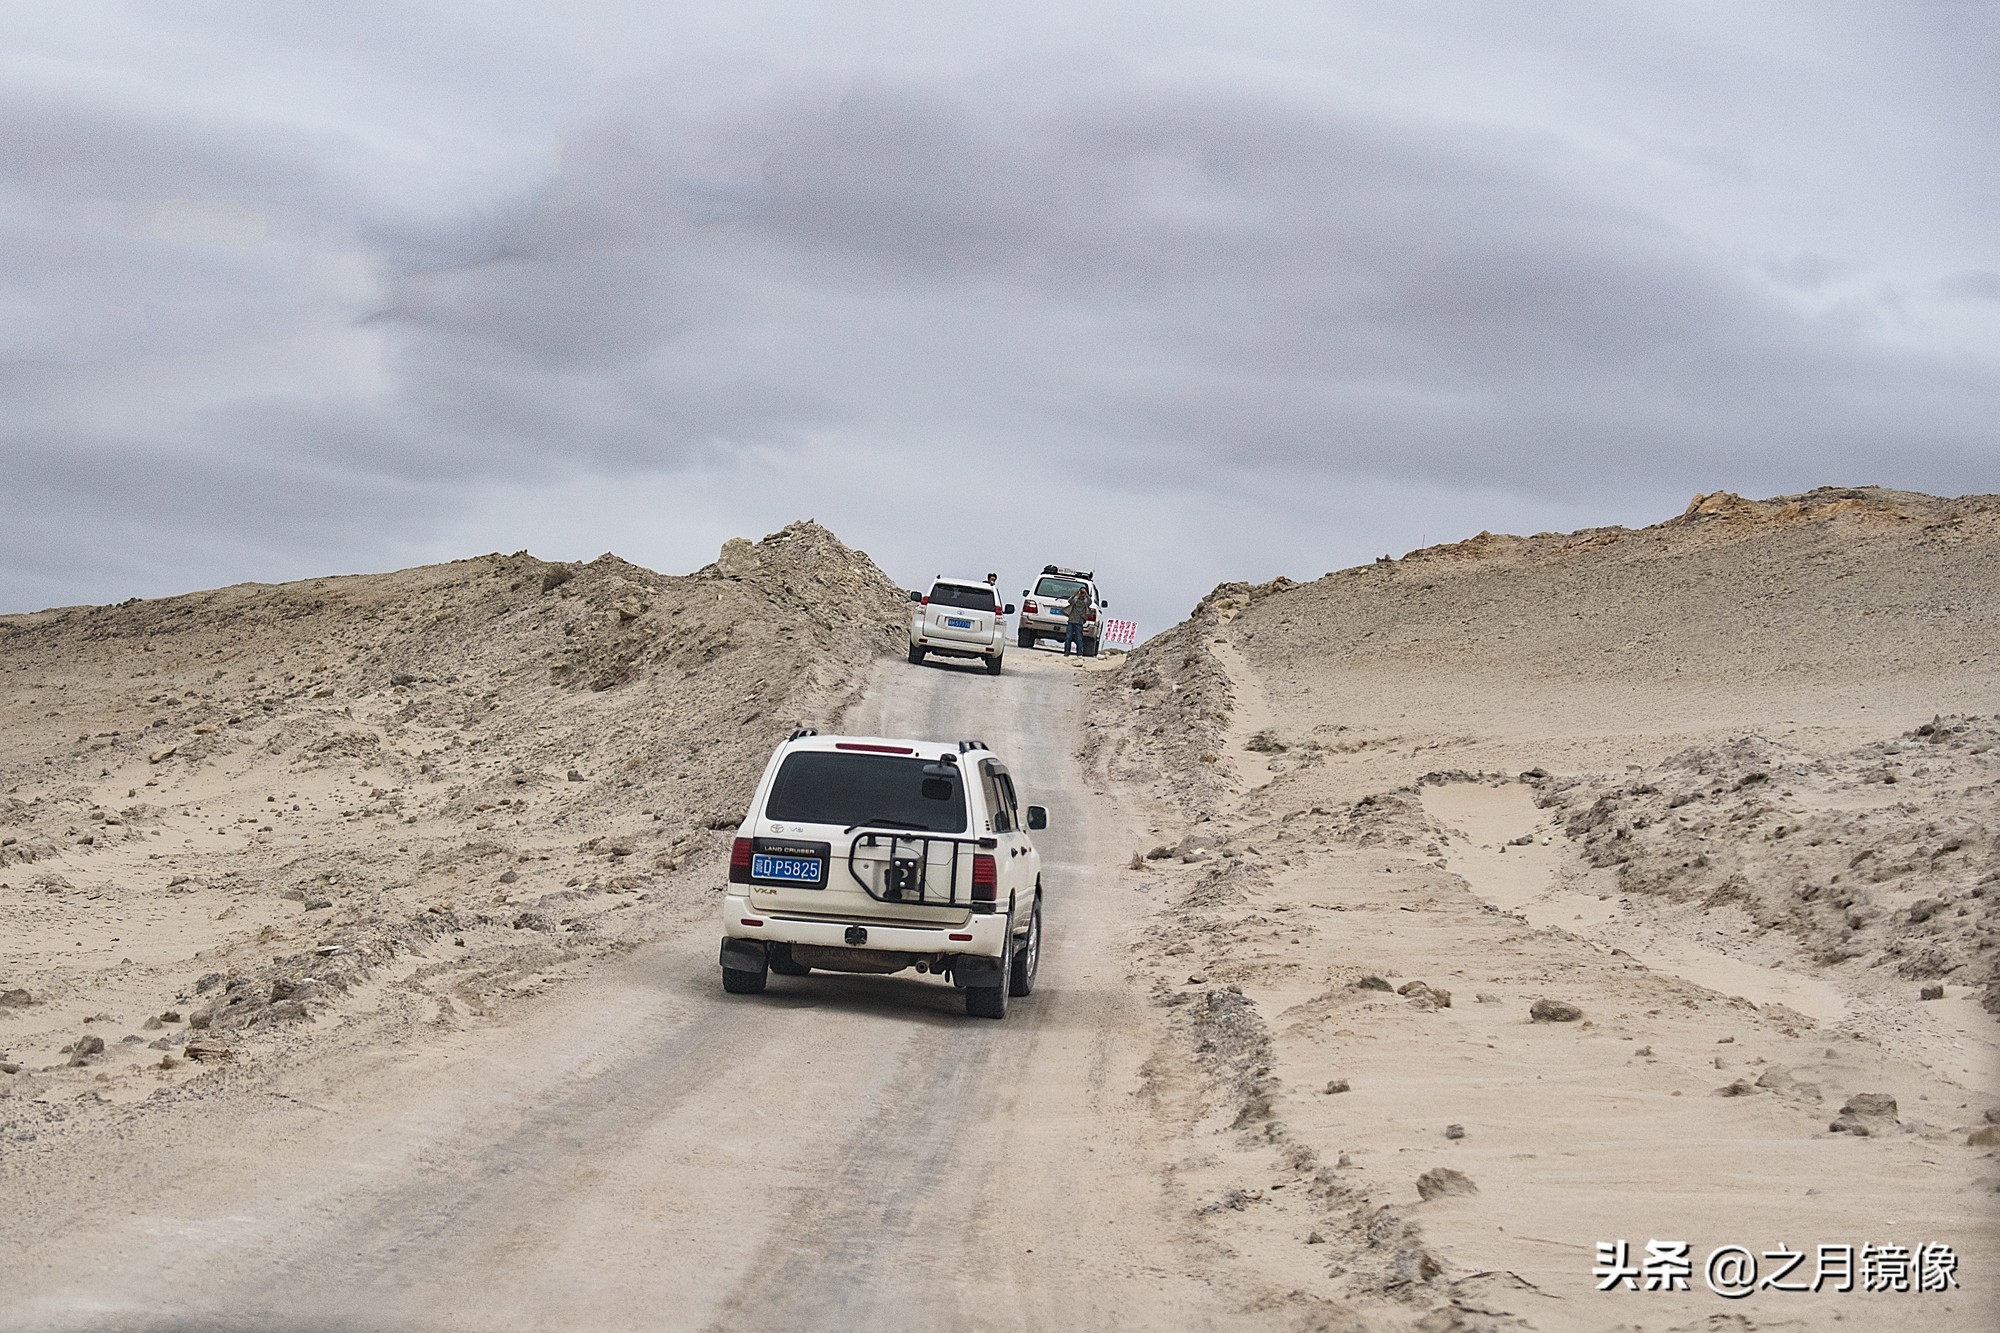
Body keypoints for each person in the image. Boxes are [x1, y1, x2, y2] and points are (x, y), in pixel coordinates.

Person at [1063, 583, 1092, 656]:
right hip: (1071, 619)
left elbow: (1089, 602)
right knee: (1068, 637)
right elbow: (1070, 601)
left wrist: (1086, 595)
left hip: (1079, 620)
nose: (1081, 593)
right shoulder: (1075, 599)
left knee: (1079, 638)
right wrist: (1076, 594)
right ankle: (1066, 652)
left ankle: (1079, 653)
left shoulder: (1086, 600)